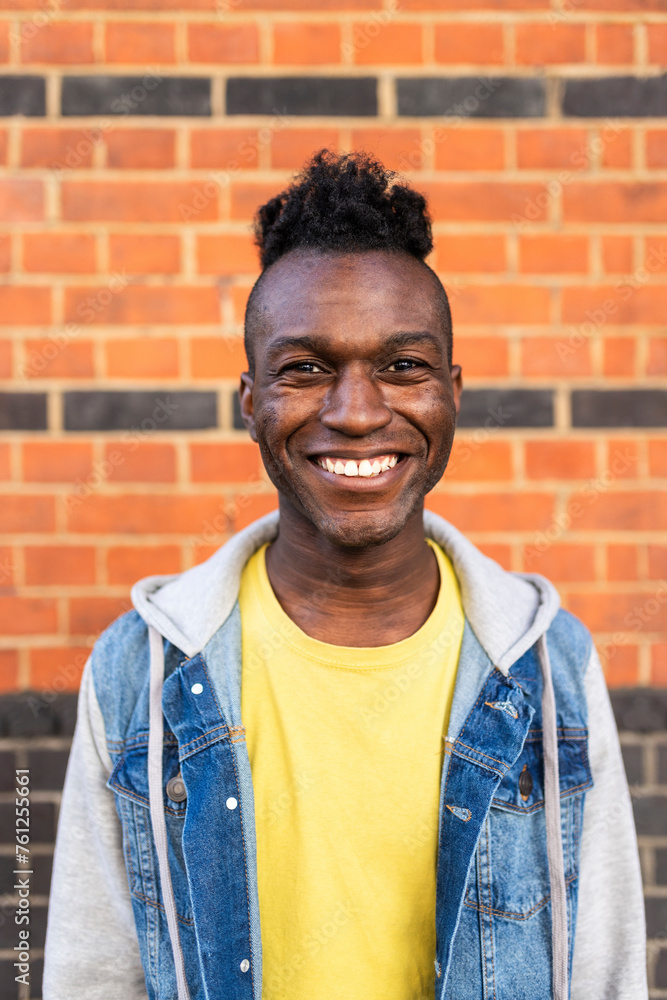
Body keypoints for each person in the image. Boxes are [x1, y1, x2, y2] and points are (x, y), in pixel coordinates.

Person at [44, 150, 646, 1000]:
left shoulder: (549, 667)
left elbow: (605, 975)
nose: (357, 412)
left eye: (402, 366)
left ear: (451, 392)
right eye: (306, 368)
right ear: (249, 400)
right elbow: (90, 976)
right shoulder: (141, 670)